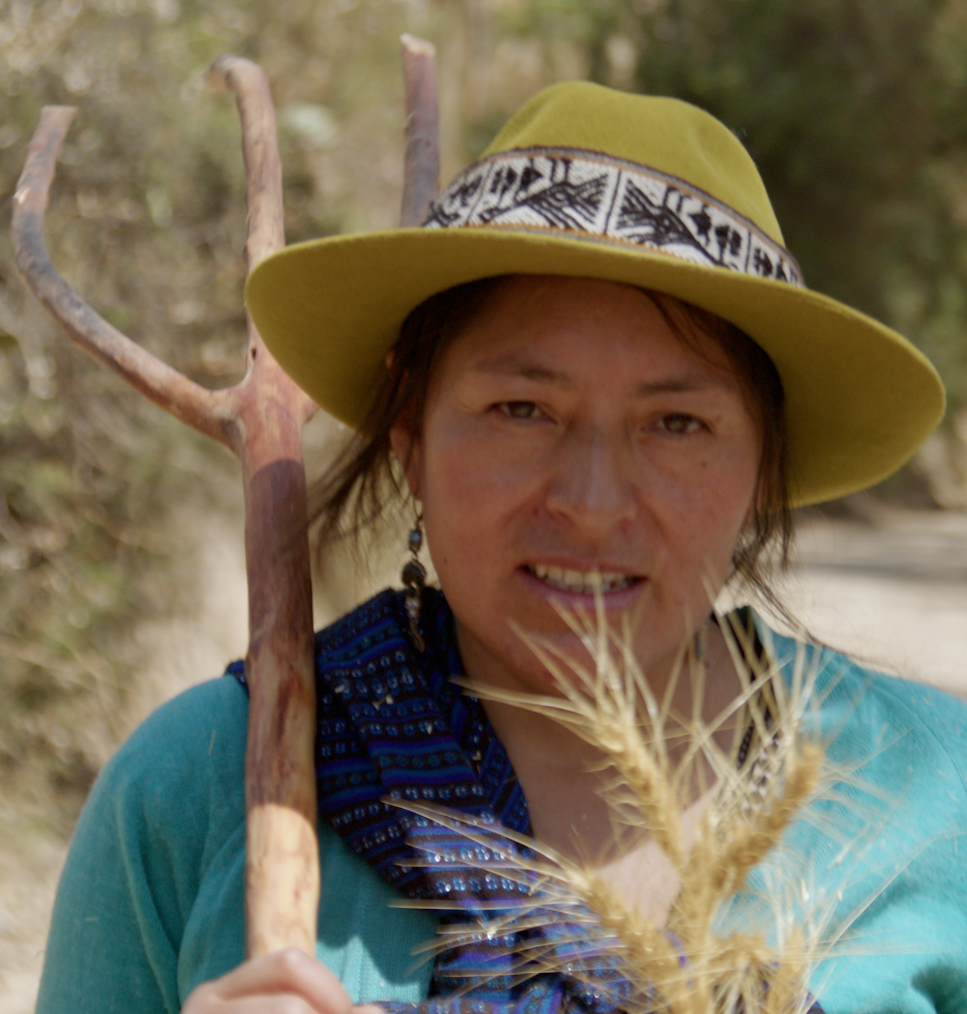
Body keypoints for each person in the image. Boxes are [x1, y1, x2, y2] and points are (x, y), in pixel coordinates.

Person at [35, 82, 967, 1014]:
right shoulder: (197, 786)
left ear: (762, 467)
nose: (593, 505)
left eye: (676, 423)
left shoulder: (937, 796)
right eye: (520, 410)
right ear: (410, 433)